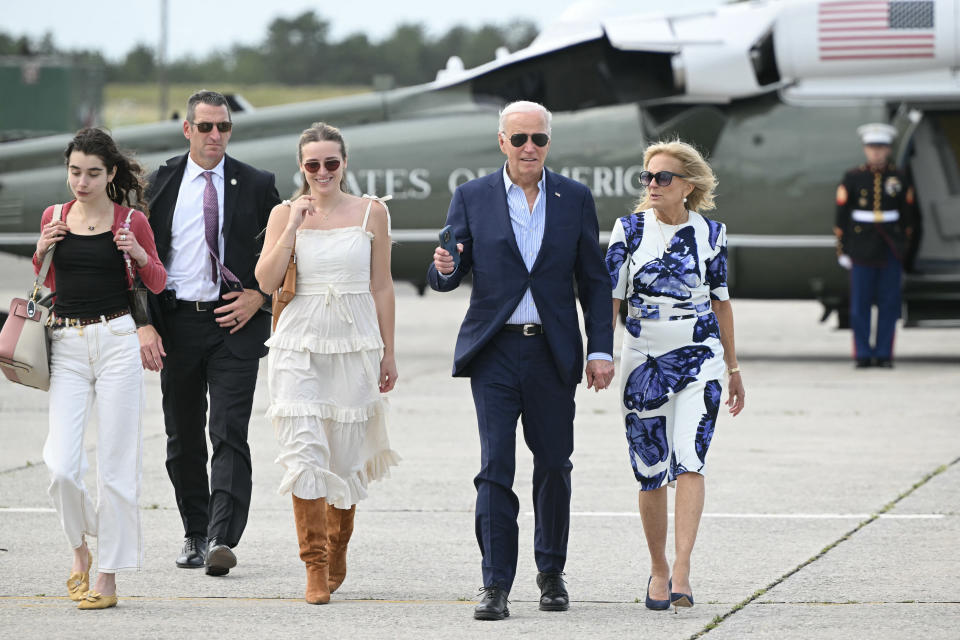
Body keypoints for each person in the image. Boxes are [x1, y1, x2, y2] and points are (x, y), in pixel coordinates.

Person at [428, 101, 615, 621]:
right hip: (494, 351)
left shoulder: (574, 198)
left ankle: (551, 573)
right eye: (519, 139)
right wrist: (444, 267)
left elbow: (594, 282)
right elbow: (448, 267)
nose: (529, 148)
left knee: (554, 464)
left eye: (538, 139)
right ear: (501, 141)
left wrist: (600, 348)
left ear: (548, 143)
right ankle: (495, 584)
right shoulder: (471, 196)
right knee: (495, 468)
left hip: (552, 351)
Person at [255, 123, 399, 605]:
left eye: (331, 163)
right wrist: (294, 225)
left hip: (355, 343)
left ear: (344, 164)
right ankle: (314, 566)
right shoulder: (283, 213)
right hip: (298, 342)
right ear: (301, 166)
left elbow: (382, 285)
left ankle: (338, 549)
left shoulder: (371, 212)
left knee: (344, 457)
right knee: (304, 453)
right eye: (312, 164)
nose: (322, 172)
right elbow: (266, 279)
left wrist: (389, 351)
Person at [138, 90, 281, 576]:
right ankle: (194, 532)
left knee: (228, 431)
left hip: (233, 323)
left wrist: (259, 295)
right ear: (188, 129)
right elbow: (136, 260)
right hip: (176, 322)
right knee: (182, 435)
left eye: (223, 127)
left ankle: (222, 537)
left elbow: (285, 250)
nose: (215, 135)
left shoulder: (258, 184)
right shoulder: (160, 182)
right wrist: (146, 324)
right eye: (206, 127)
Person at [605, 140, 744, 612]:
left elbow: (721, 300)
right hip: (641, 358)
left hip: (700, 357)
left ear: (687, 185)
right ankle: (658, 568)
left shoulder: (713, 233)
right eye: (647, 177)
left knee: (690, 460)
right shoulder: (628, 231)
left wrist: (733, 366)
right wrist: (599, 354)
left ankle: (682, 569)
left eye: (663, 177)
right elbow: (612, 301)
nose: (652, 185)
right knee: (649, 470)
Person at [32, 128, 166, 609]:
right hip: (65, 344)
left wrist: (137, 253)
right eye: (74, 172)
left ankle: (107, 576)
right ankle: (81, 549)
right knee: (61, 466)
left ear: (110, 174)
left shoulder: (130, 219)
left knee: (116, 465)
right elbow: (45, 280)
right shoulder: (54, 216)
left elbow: (157, 278)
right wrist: (43, 247)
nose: (81, 182)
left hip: (117, 340)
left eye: (92, 173)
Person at [833, 123, 916, 368]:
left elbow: (909, 217)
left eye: (881, 147)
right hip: (861, 245)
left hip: (890, 244)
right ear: (865, 149)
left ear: (888, 150)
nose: (876, 152)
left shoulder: (899, 177)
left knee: (889, 303)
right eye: (872, 147)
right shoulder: (853, 177)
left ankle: (883, 354)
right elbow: (841, 217)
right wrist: (842, 249)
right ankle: (862, 354)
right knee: (860, 303)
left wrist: (904, 247)